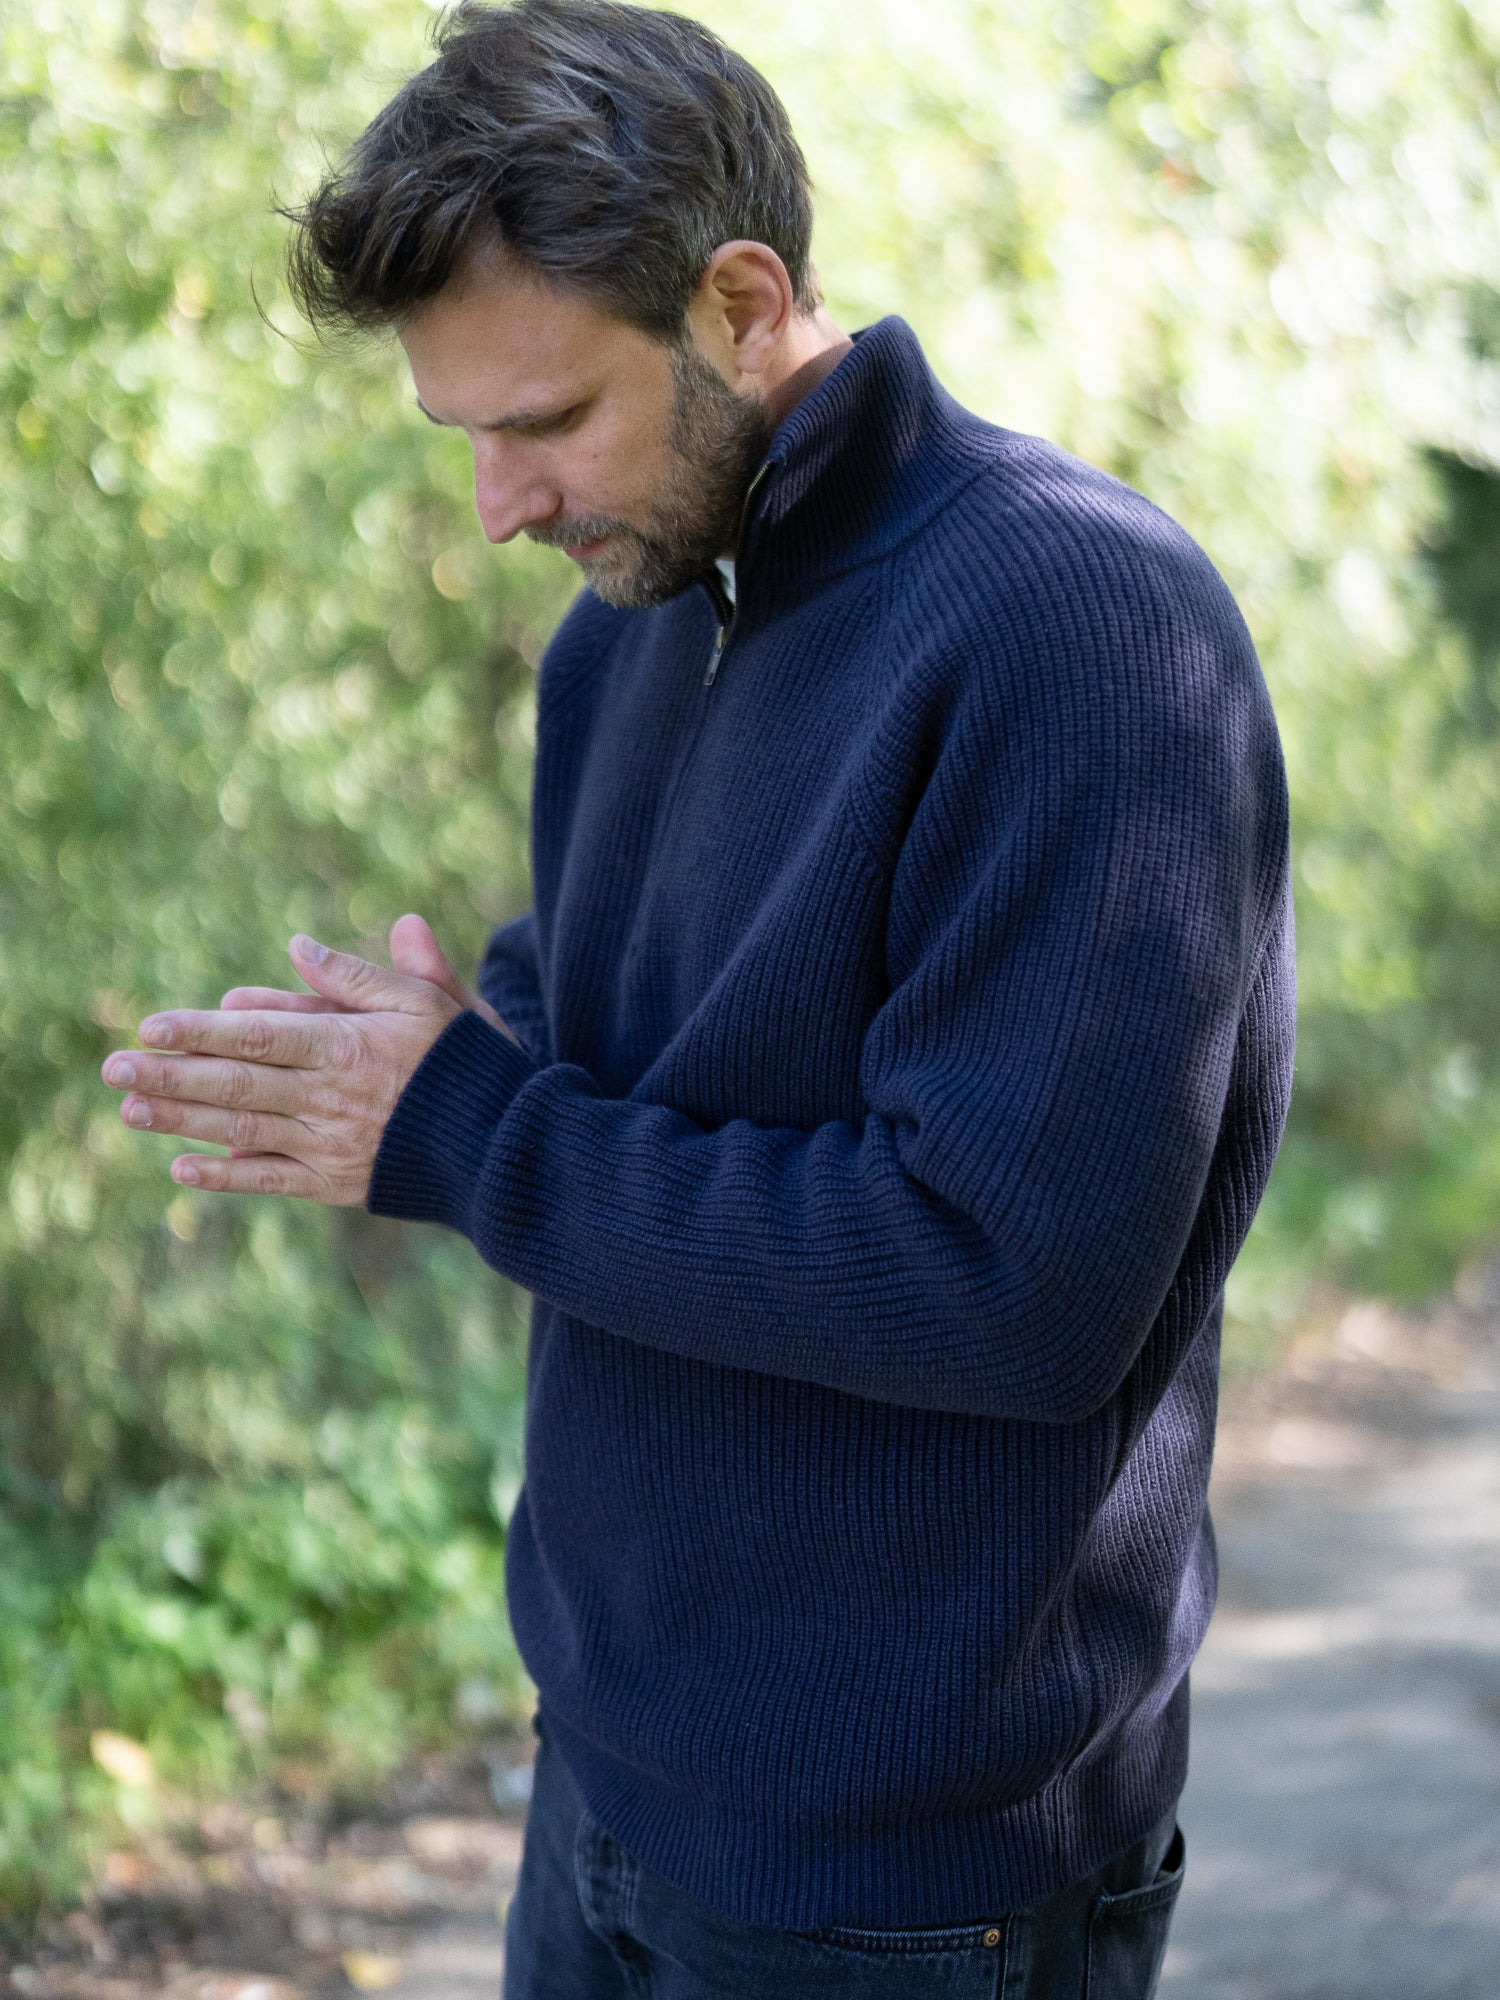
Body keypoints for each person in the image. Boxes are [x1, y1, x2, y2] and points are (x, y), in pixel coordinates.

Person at [102, 2, 1295, 1993]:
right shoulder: (633, 628)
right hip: (601, 1786)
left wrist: (470, 1128)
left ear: (744, 304)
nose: (501, 503)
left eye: (545, 421)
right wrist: (439, 1048)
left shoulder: (1077, 629)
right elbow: (611, 1012)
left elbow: (1012, 1284)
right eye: (463, 432)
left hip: (907, 1884)